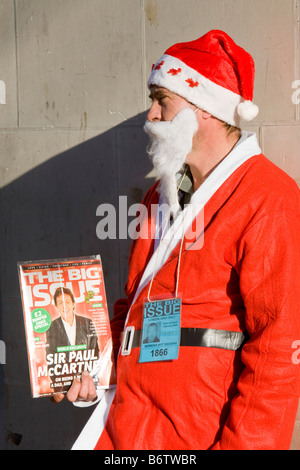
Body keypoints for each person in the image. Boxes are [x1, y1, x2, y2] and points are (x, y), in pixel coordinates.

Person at [58, 30, 300, 450]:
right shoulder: (158, 196)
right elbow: (131, 304)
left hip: (196, 433)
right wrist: (94, 374)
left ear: (203, 108)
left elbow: (279, 352)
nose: (149, 115)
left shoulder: (270, 197)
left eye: (161, 100)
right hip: (127, 427)